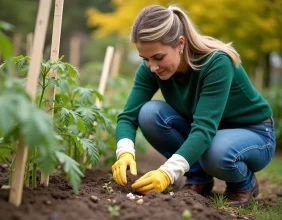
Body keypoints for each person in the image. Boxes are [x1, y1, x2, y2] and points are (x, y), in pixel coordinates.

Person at [111, 4, 276, 208]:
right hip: (209, 134)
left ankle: (244, 183)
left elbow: (203, 129)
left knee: (216, 151)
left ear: (180, 43)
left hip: (254, 133)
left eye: (158, 57)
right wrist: (125, 151)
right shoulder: (151, 68)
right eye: (145, 59)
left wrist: (167, 173)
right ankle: (199, 179)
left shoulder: (216, 62)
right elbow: (129, 116)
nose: (152, 66)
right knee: (149, 114)